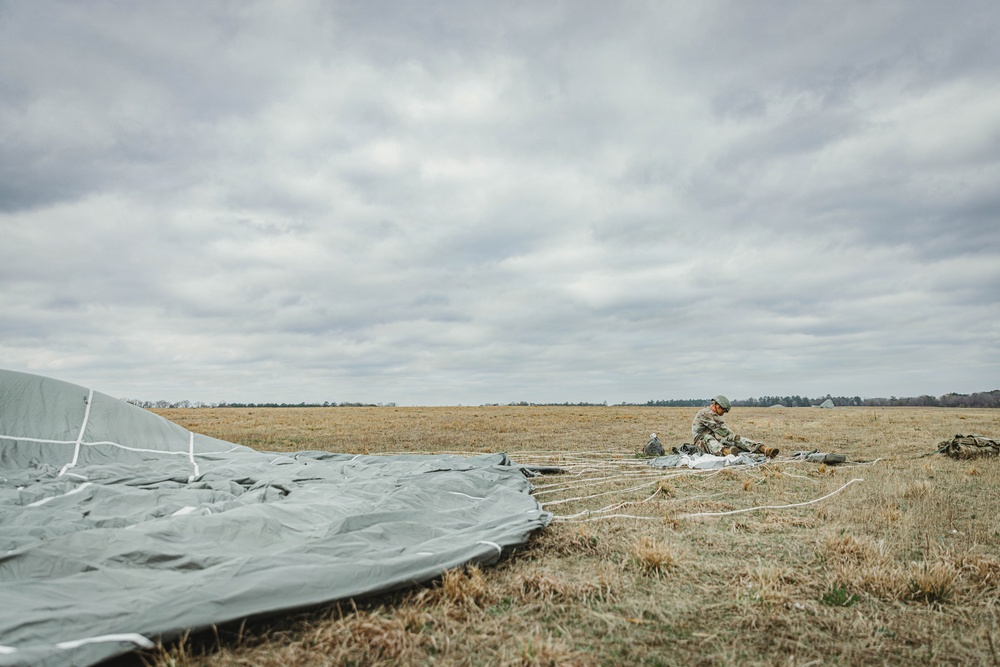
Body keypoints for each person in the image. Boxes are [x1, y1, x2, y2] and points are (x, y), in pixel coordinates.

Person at [691, 395, 778, 458]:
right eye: (724, 411)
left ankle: (763, 449)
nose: (723, 414)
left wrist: (736, 439)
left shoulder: (711, 414)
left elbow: (728, 434)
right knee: (708, 438)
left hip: (713, 442)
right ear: (718, 406)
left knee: (734, 438)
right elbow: (724, 431)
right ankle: (727, 452)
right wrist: (734, 438)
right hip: (701, 444)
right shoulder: (705, 413)